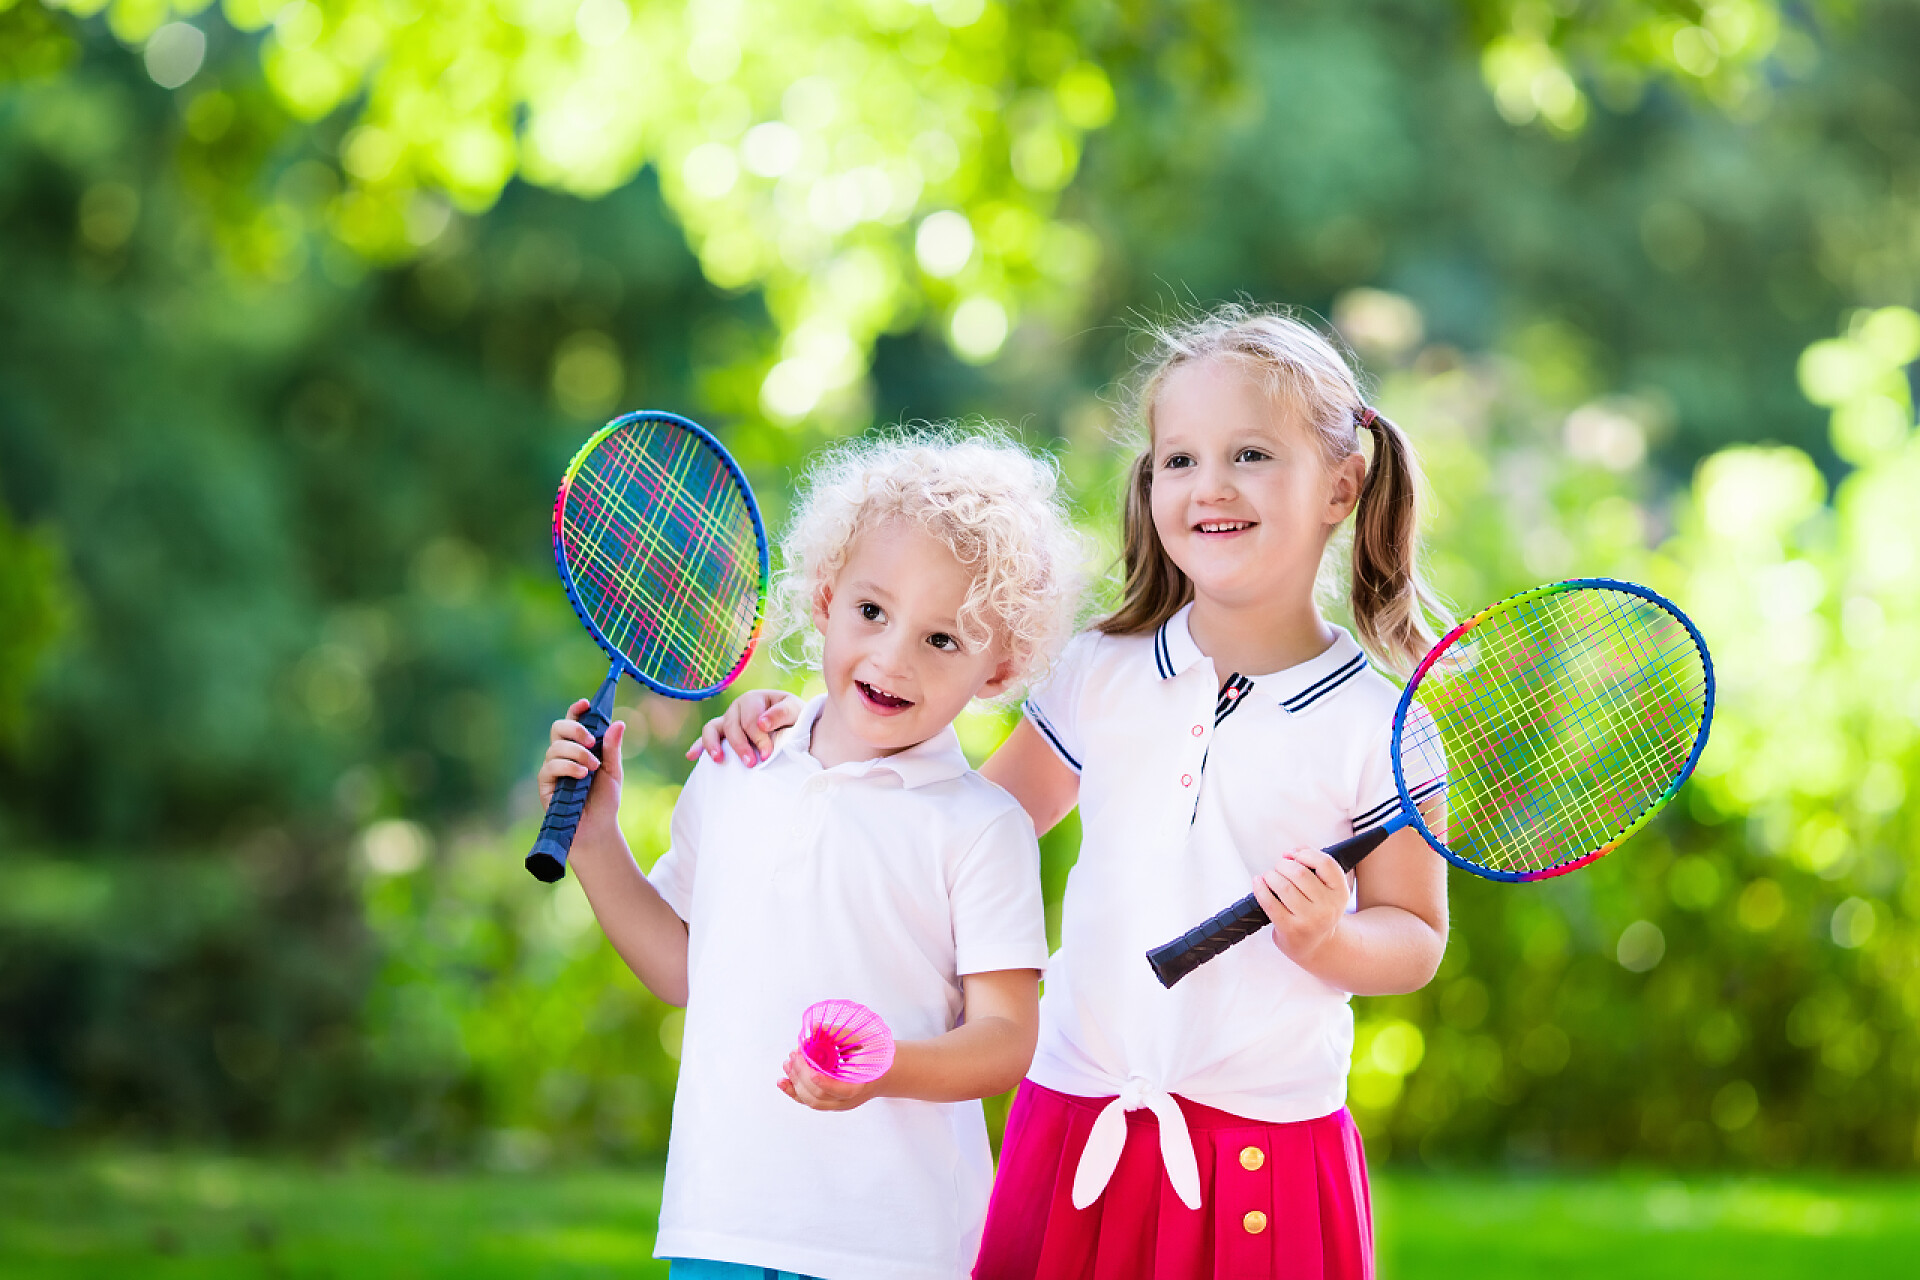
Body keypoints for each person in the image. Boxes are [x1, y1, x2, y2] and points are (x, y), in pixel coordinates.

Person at [699, 305, 1452, 1279]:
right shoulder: (1101, 667)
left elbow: (1416, 935)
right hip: (1074, 1117)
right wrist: (801, 736)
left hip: (1265, 1150)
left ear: (1342, 484)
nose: (1209, 486)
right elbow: (962, 816)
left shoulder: (1383, 725)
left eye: (1251, 454)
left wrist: (1330, 937)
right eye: (1179, 459)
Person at [541, 429, 1086, 1280]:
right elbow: (688, 973)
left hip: (898, 1245)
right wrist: (594, 841)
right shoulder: (736, 768)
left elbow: (1007, 1040)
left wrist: (885, 1070)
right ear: (826, 600)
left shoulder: (981, 828)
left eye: (942, 640)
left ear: (996, 672)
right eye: (872, 612)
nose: (892, 657)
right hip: (722, 1223)